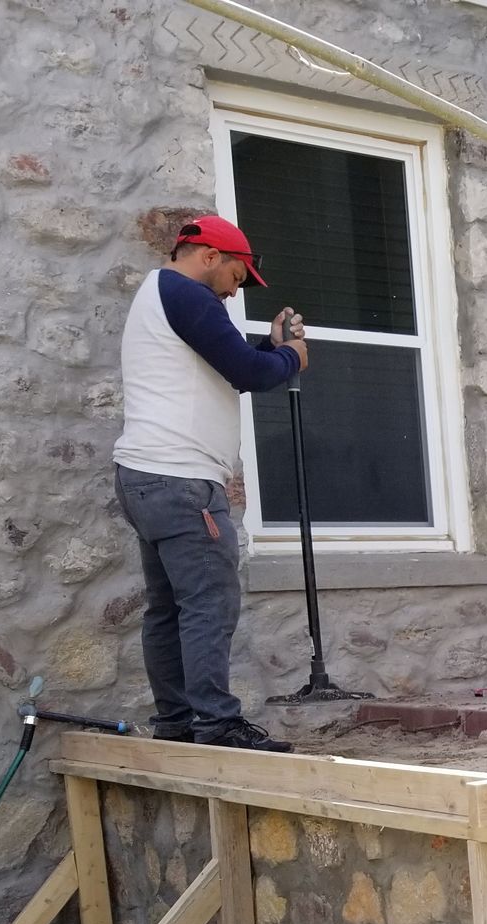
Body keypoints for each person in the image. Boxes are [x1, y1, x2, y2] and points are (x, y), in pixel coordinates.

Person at [113, 216, 307, 752]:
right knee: (208, 603)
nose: (234, 290)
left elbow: (227, 363)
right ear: (208, 256)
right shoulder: (188, 294)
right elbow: (247, 372)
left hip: (144, 478)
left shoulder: (162, 295)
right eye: (236, 277)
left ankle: (175, 722)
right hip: (181, 482)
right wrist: (291, 356)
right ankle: (217, 724)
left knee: (168, 607)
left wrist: (269, 351)